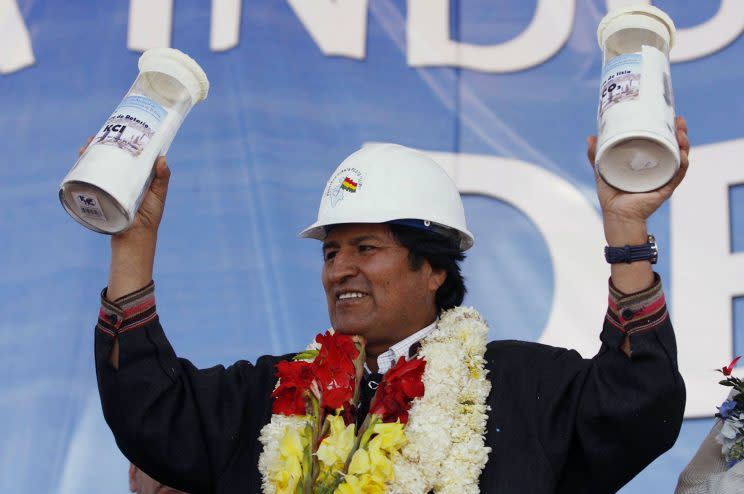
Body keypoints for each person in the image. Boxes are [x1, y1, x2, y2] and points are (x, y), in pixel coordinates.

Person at [93, 118, 689, 493]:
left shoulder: (525, 386)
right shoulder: (271, 398)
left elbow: (637, 406)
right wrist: (133, 240)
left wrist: (627, 229)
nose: (339, 269)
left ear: (432, 268)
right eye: (331, 252)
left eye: (366, 248)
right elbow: (152, 411)